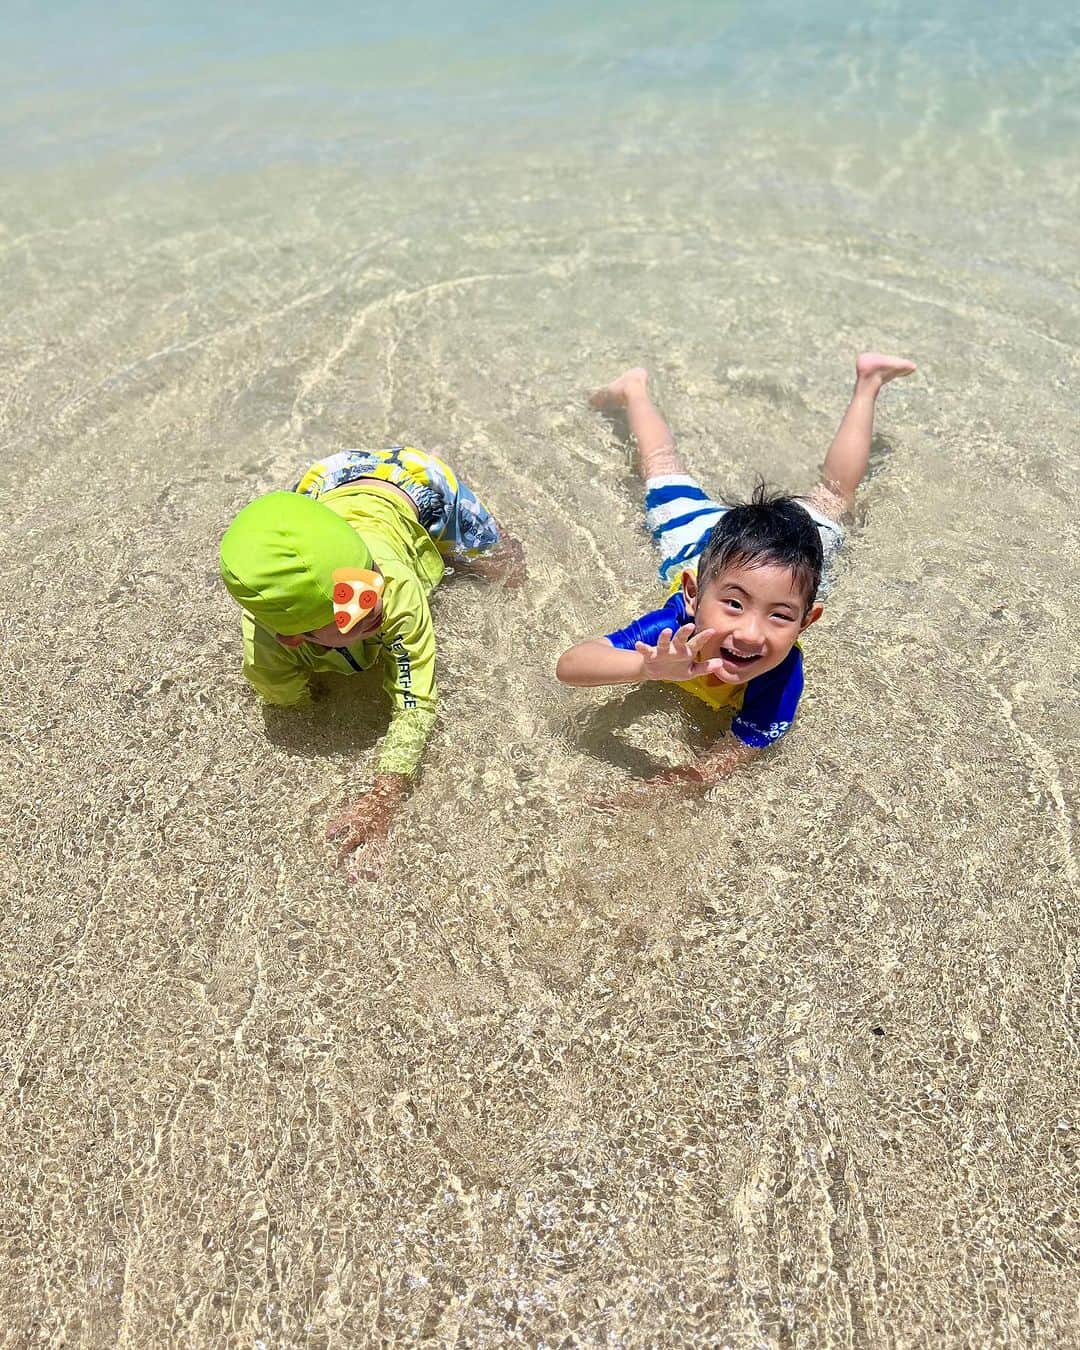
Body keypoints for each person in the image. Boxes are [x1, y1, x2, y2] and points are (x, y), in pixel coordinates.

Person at [555, 353, 916, 803]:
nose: (750, 633)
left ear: (807, 621)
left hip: (789, 549)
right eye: (733, 605)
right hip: (694, 541)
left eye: (781, 616)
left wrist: (651, 793)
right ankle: (634, 389)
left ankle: (869, 381)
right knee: (662, 467)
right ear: (692, 594)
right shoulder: (675, 628)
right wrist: (645, 667)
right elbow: (571, 665)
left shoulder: (781, 675)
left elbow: (730, 754)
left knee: (834, 496)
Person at [219, 446, 524, 867]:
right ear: (295, 640)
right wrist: (307, 708)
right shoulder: (268, 652)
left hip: (418, 485)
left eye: (368, 578)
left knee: (509, 573)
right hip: (321, 497)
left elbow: (415, 700)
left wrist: (385, 795)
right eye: (351, 612)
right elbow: (283, 694)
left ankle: (434, 543)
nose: (374, 601)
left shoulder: (392, 586)